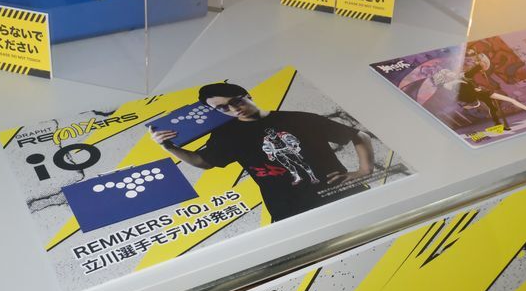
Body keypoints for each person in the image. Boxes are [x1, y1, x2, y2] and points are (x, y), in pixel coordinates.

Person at [149, 82, 375, 222]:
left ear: (247, 95)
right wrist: (169, 147)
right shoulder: (226, 135)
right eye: (223, 108)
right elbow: (204, 161)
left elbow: (359, 135)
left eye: (236, 101)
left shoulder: (297, 118)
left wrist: (364, 171)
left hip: (340, 195)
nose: (233, 109)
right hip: (289, 210)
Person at [432, 49, 526, 130]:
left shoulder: (460, 77)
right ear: (445, 77)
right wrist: (477, 66)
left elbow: (472, 71)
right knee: (502, 103)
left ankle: (502, 124)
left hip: (480, 93)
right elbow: (463, 85)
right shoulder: (451, 84)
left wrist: (479, 63)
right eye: (448, 73)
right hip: (475, 96)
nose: (451, 73)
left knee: (494, 107)